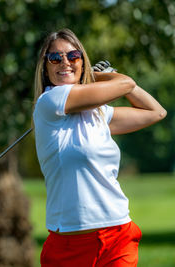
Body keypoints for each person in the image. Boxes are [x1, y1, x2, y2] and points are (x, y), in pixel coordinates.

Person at [32, 28, 166, 266]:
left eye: (73, 56)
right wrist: (102, 76)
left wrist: (100, 78)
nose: (65, 62)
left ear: (82, 61)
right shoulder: (48, 102)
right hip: (69, 246)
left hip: (118, 236)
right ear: (45, 68)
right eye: (55, 58)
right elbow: (125, 83)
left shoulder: (99, 114)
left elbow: (156, 112)